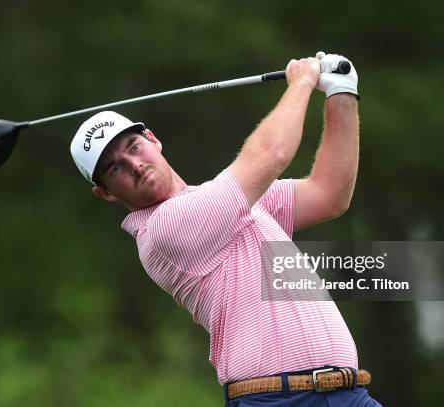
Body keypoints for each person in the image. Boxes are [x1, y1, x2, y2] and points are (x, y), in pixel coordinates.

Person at [69, 52, 381, 406]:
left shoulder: (229, 203)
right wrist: (304, 81)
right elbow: (270, 154)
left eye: (134, 147)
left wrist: (341, 93)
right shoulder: (165, 230)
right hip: (277, 401)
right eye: (115, 168)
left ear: (153, 140)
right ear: (105, 192)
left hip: (347, 395)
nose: (135, 165)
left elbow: (329, 194)